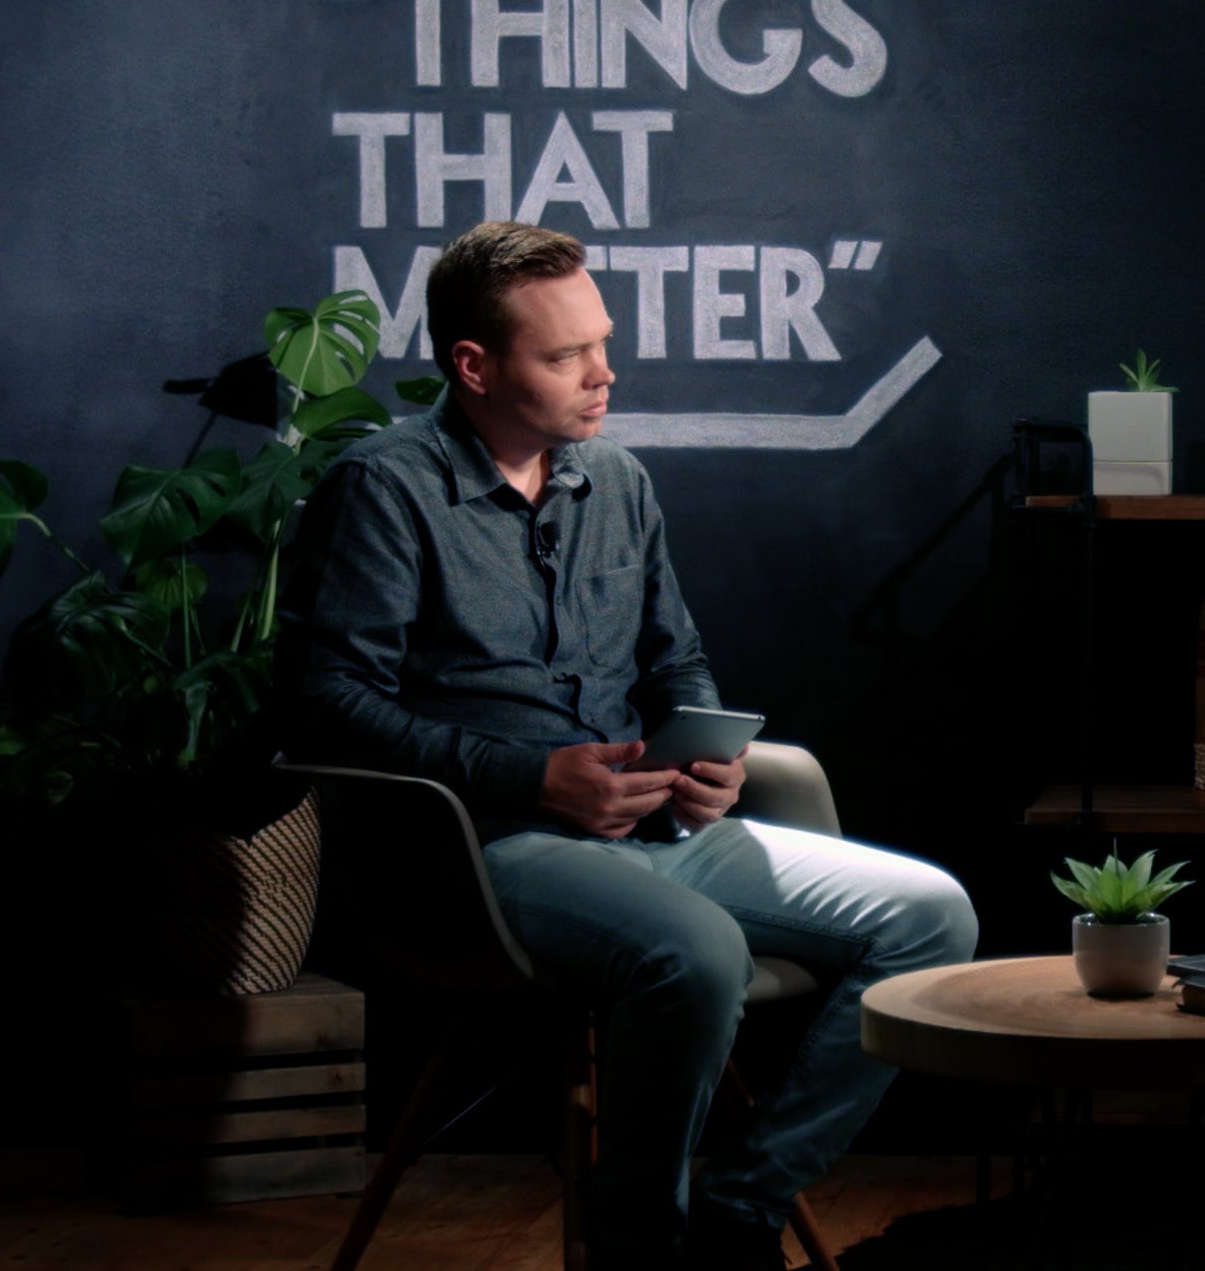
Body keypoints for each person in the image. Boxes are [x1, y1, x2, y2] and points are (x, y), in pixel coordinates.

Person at [277, 220, 978, 1270]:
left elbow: (675, 659)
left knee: (931, 914)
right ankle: (639, 1239)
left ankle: (738, 1208)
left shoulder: (618, 481)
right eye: (567, 354)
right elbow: (324, 704)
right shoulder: (384, 488)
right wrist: (531, 779)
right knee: (698, 954)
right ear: (474, 366)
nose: (604, 374)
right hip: (484, 852)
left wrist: (707, 754)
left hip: (654, 829)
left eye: (602, 343)